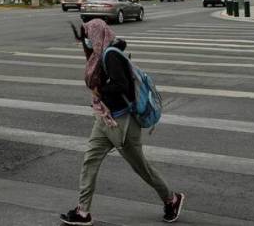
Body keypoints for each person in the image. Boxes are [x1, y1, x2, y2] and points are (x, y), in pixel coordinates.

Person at [60, 19, 184, 225]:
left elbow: (122, 85)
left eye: (88, 37)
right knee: (90, 161)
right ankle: (83, 212)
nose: (87, 42)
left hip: (123, 122)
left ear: (98, 35)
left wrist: (101, 91)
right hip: (105, 120)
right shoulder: (101, 56)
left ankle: (172, 198)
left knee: (141, 167)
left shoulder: (110, 56)